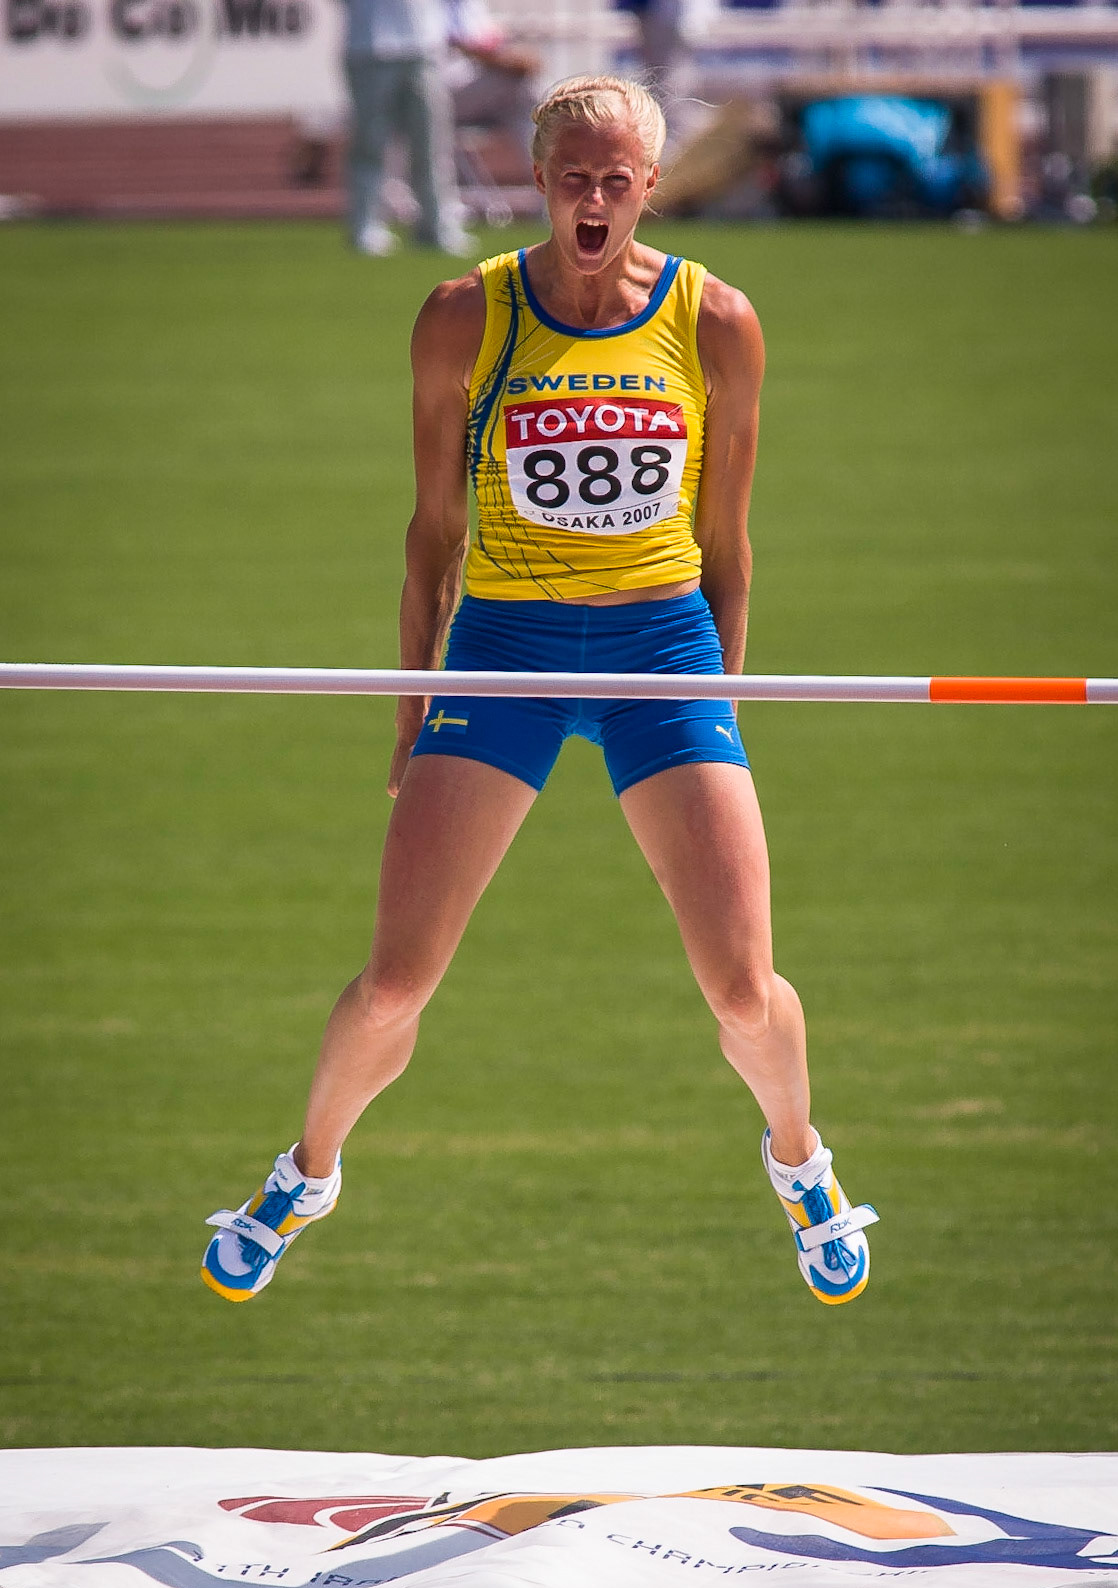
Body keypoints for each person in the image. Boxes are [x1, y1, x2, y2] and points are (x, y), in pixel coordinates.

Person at [202, 74, 878, 1309]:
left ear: (651, 185)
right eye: (573, 179)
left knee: (741, 985)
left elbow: (726, 545)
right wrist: (409, 714)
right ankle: (306, 1173)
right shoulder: (465, 315)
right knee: (394, 981)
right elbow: (430, 538)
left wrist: (718, 707)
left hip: (659, 650)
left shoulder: (716, 321)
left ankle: (801, 1163)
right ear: (538, 180)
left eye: (616, 180)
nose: (593, 201)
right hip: (502, 649)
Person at [340, 0, 473, 256]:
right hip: (369, 47)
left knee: (432, 144)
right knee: (369, 145)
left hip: (424, 48)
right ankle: (365, 225)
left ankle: (437, 225)